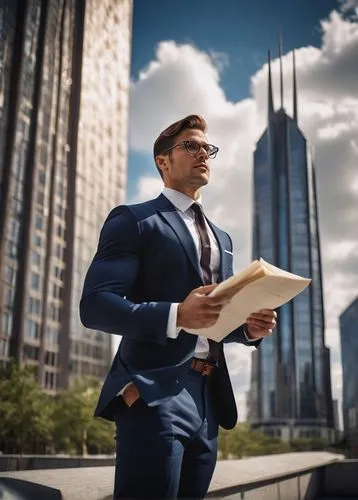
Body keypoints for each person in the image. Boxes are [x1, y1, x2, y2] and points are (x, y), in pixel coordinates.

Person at [80, 115, 277, 499]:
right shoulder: (135, 220)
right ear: (162, 161)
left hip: (210, 399)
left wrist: (248, 329)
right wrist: (175, 314)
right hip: (154, 391)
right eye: (191, 145)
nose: (203, 152)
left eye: (207, 148)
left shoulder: (223, 237)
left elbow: (215, 318)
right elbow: (95, 306)